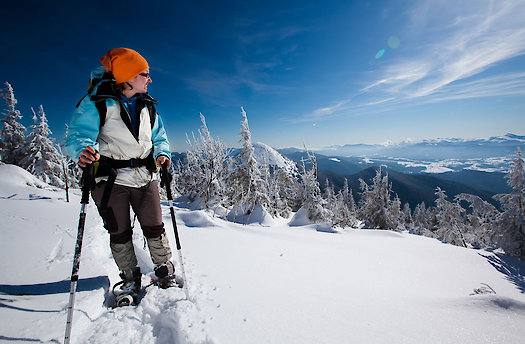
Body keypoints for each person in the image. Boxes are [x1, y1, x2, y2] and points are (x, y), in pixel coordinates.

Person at [66, 48, 174, 296]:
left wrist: (163, 154)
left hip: (145, 177)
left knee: (154, 226)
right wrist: (84, 150)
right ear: (128, 76)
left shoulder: (148, 106)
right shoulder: (97, 103)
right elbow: (79, 135)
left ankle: (164, 268)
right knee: (119, 231)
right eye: (144, 74)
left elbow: (160, 137)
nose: (149, 79)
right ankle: (129, 276)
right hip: (110, 180)